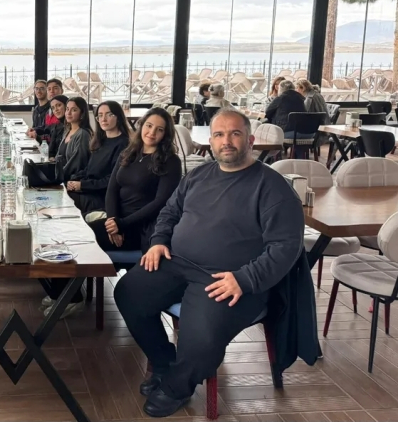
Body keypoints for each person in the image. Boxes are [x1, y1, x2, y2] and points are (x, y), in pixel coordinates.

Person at [113, 109, 303, 418]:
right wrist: (159, 241)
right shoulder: (198, 176)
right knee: (128, 293)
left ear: (250, 140)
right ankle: (164, 363)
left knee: (203, 335)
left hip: (230, 279)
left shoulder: (273, 187)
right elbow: (170, 212)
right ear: (211, 142)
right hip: (178, 263)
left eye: (235, 134)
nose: (226, 141)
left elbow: (286, 247)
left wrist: (244, 279)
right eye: (219, 135)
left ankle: (177, 386)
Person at [92, 107, 182, 253]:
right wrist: (112, 222)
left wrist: (122, 224)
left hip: (142, 227)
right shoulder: (128, 153)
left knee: (84, 239)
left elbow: (160, 202)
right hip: (118, 221)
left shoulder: (171, 161)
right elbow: (112, 189)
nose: (152, 132)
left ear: (165, 134)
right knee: (77, 231)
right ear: (141, 125)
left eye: (159, 129)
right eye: (149, 126)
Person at [66, 101, 131, 216]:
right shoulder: (100, 141)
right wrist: (74, 180)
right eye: (100, 115)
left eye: (109, 114)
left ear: (118, 117)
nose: (103, 119)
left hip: (103, 198)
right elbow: (89, 169)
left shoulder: (123, 144)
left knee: (64, 201)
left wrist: (82, 185)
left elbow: (112, 181)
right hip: (88, 190)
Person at [55, 97, 92, 183]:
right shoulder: (68, 130)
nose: (68, 113)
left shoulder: (82, 134)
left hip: (71, 180)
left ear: (82, 113)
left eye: (74, 110)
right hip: (61, 176)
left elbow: (76, 164)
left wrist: (57, 177)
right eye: (67, 109)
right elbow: (58, 157)